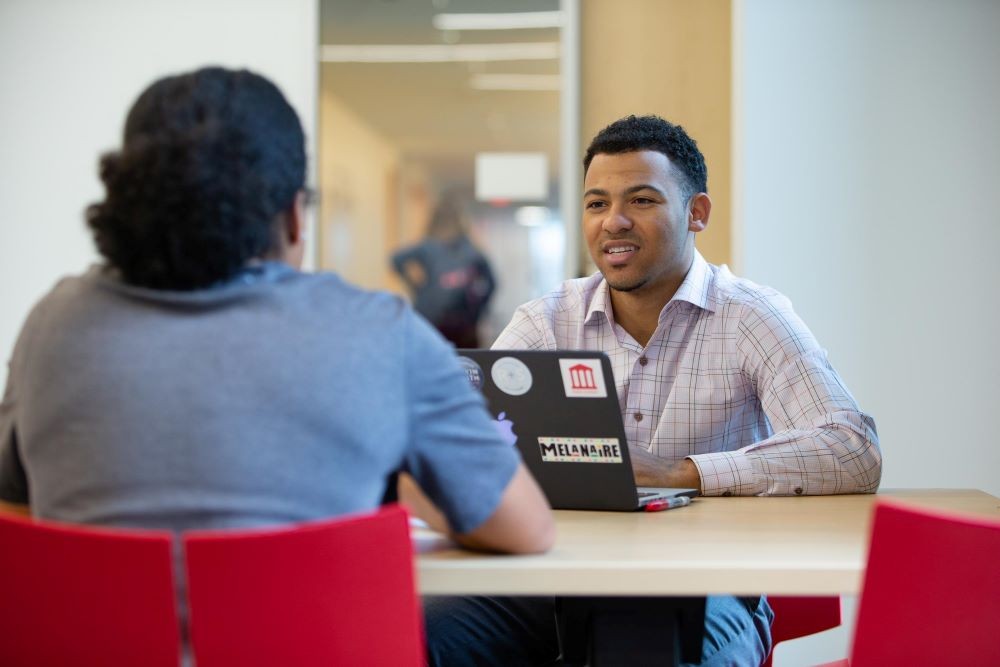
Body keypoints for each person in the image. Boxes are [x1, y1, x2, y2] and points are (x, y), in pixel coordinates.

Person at [0, 66, 553, 613]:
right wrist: (403, 482)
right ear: (293, 216)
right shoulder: (379, 333)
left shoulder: (52, 324)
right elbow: (524, 528)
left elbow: (20, 513)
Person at [424, 115, 882, 666]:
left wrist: (682, 473)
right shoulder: (547, 320)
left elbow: (852, 448)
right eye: (596, 204)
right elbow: (457, 434)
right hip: (549, 578)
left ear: (697, 213)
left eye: (641, 200)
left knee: (642, 650)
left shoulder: (751, 316)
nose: (613, 222)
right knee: (415, 638)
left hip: (705, 583)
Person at [391, 194, 496, 348]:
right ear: (462, 221)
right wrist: (479, 310)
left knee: (427, 364)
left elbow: (396, 259)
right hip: (464, 322)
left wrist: (417, 287)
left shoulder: (428, 246)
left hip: (429, 317)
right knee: (465, 364)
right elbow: (492, 283)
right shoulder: (471, 250)